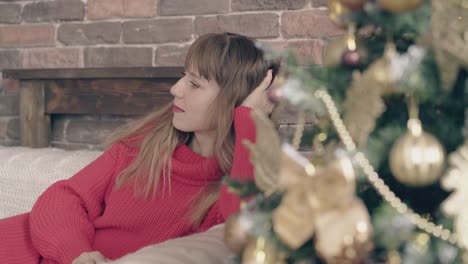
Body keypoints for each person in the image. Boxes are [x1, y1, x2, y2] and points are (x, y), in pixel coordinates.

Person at [0, 32, 280, 264]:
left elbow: (248, 228)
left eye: (194, 84)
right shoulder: (142, 146)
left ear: (234, 101)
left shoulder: (227, 192)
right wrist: (76, 254)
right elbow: (64, 197)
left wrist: (249, 117)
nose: (176, 89)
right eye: (184, 76)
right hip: (21, 247)